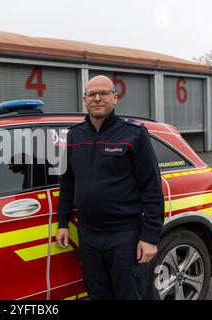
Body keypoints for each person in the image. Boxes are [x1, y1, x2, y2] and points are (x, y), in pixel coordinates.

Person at [56, 75, 164, 300]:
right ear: (84, 100)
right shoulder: (75, 136)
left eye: (103, 93)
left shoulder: (134, 133)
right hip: (88, 235)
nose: (97, 98)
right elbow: (67, 183)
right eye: (91, 95)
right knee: (98, 295)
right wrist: (63, 222)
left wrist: (150, 237)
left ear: (114, 98)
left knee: (129, 295)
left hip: (125, 236)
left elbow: (152, 187)